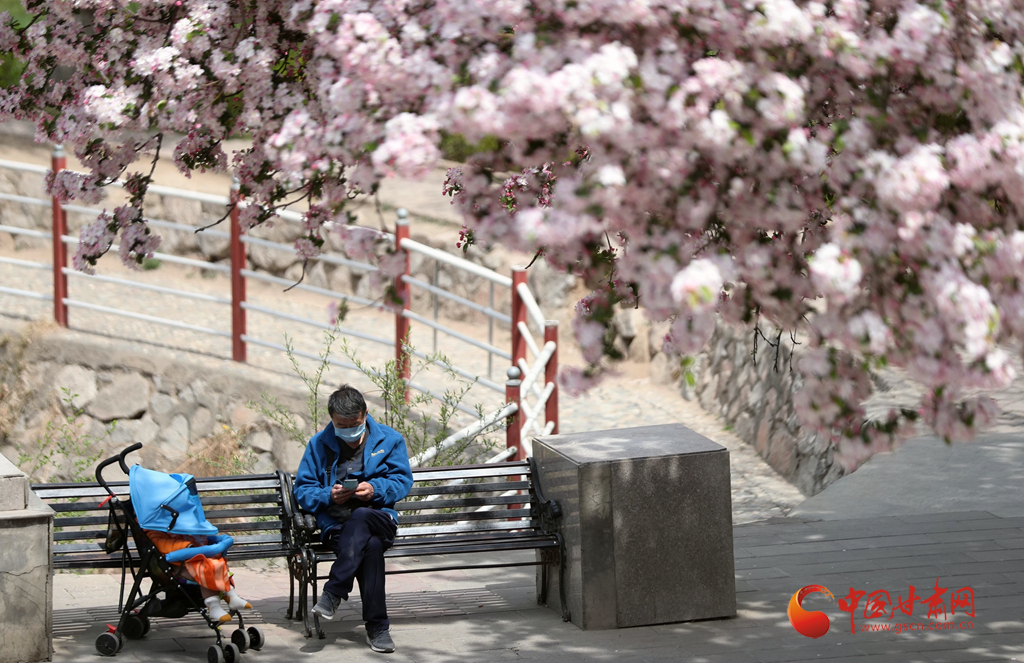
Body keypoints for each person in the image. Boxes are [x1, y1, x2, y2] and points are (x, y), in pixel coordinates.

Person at [294, 385, 413, 654]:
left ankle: (334, 591)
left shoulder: (389, 440)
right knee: (369, 548)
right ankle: (378, 629)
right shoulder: (318, 444)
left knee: (362, 514)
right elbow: (302, 490)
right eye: (341, 425)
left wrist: (375, 490)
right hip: (337, 526)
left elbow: (402, 482)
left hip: (379, 518)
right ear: (332, 419)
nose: (348, 431)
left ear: (365, 414)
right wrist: (328, 495)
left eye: (354, 424)